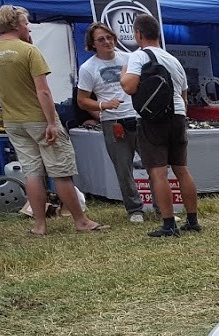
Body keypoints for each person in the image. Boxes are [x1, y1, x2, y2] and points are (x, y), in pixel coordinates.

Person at [0, 5, 106, 235]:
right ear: (15, 25)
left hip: (12, 120)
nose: (28, 27)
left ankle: (40, 225)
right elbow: (43, 91)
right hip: (39, 118)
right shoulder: (29, 51)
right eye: (25, 23)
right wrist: (52, 122)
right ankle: (81, 221)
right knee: (60, 170)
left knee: (32, 172)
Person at [123, 14, 199, 238]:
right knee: (181, 169)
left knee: (157, 172)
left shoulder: (138, 56)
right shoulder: (172, 59)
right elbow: (184, 94)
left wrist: (122, 75)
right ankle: (192, 220)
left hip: (154, 119)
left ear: (138, 34)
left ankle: (168, 224)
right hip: (177, 115)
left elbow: (128, 87)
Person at [75, 22, 145, 224]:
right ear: (92, 44)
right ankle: (134, 209)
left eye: (109, 37)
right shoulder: (89, 68)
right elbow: (82, 100)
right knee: (123, 168)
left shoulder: (130, 58)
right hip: (113, 121)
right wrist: (103, 105)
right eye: (101, 39)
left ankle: (161, 206)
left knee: (154, 163)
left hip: (139, 117)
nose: (107, 42)